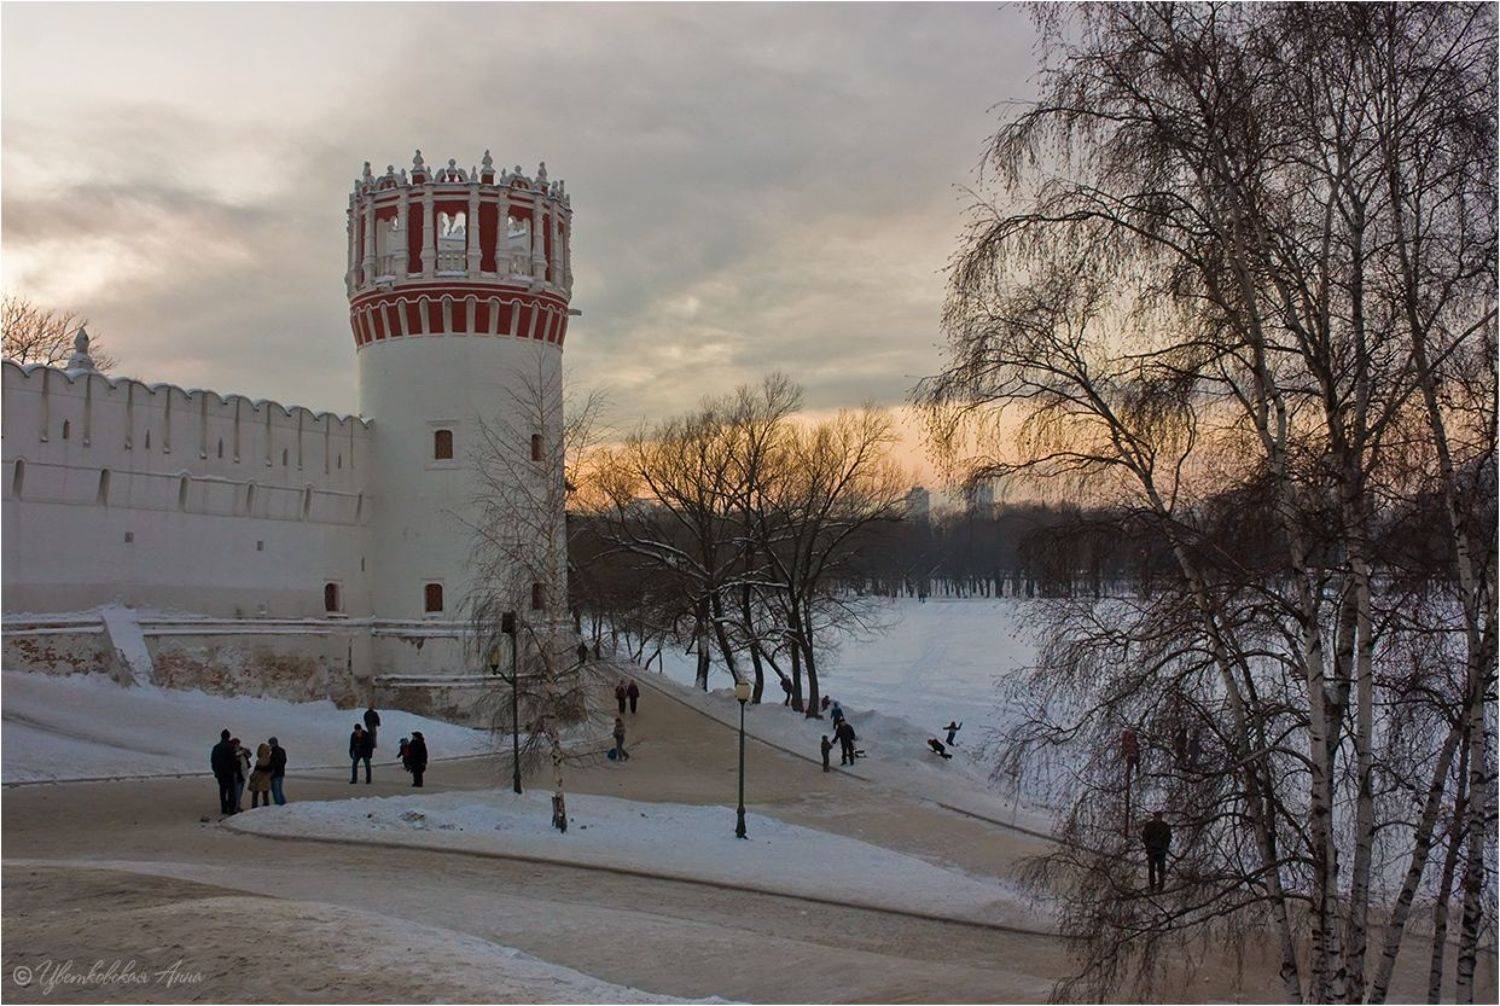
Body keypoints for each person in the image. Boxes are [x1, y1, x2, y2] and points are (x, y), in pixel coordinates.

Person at [1142, 811, 1173, 892]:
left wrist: (1165, 847)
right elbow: (1145, 837)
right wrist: (1148, 847)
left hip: (1161, 851)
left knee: (1161, 870)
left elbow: (1168, 838)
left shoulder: (1165, 826)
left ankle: (1160, 887)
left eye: (1160, 816)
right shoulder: (1149, 825)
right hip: (1152, 850)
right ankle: (1152, 886)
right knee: (1151, 869)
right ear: (1154, 817)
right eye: (1157, 816)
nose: (1158, 818)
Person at [210, 729, 238, 815]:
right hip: (229, 773)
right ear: (228, 736)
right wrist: (234, 770)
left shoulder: (216, 747)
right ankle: (231, 808)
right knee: (231, 791)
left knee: (222, 790)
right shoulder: (230, 747)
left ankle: (224, 808)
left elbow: (213, 760)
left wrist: (216, 771)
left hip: (220, 773)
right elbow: (233, 760)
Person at [248, 742, 273, 808]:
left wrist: (252, 777)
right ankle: (266, 807)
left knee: (255, 795)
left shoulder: (260, 761)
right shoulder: (269, 760)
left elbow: (257, 771)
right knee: (265, 795)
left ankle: (254, 807)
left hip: (258, 781)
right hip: (266, 780)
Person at [231, 737, 252, 811]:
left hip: (243, 773)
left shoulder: (241, 750)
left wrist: (246, 751)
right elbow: (234, 757)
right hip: (237, 774)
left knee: (239, 791)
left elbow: (249, 755)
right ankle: (236, 806)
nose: (238, 745)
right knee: (237, 791)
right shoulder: (232, 751)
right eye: (237, 744)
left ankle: (237, 805)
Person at [268, 736, 288, 806]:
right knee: (280, 791)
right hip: (281, 773)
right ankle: (284, 805)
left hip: (275, 774)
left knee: (276, 792)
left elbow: (274, 763)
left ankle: (279, 806)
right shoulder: (282, 750)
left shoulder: (274, 752)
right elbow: (284, 761)